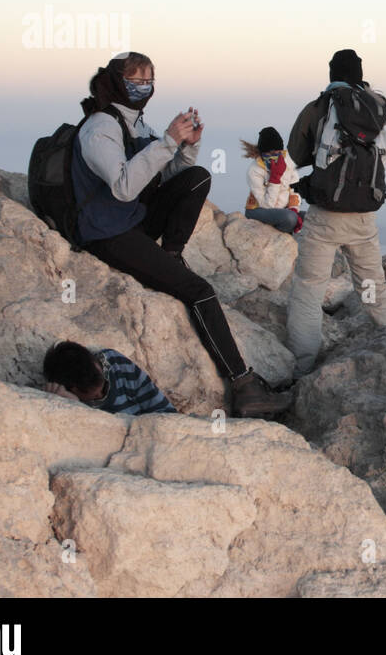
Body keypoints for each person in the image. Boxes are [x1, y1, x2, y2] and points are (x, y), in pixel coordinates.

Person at [71, 51, 291, 418]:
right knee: (199, 291)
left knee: (197, 177)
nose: (144, 87)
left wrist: (187, 145)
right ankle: (243, 384)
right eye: (135, 80)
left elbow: (166, 175)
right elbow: (125, 186)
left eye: (148, 81)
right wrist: (169, 140)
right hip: (106, 232)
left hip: (130, 219)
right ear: (115, 81)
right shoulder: (100, 127)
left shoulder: (135, 124)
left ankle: (171, 255)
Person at [284, 49, 386, 373]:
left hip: (326, 215)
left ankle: (303, 367)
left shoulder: (321, 107)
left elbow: (296, 154)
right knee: (373, 286)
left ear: (331, 73)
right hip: (365, 216)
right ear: (360, 74)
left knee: (310, 288)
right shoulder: (374, 109)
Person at [43, 341, 177, 415]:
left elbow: (165, 411)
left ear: (96, 363)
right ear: (73, 389)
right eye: (95, 397)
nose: (101, 395)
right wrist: (72, 406)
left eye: (104, 386)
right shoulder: (69, 396)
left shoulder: (115, 364)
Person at [242, 127, 304, 233]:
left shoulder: (288, 162)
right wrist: (275, 178)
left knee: (310, 218)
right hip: (258, 210)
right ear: (262, 154)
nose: (273, 158)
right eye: (269, 155)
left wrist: (294, 208)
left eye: (276, 153)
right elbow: (267, 205)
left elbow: (295, 190)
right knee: (290, 218)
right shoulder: (254, 170)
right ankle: (280, 238)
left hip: (284, 209)